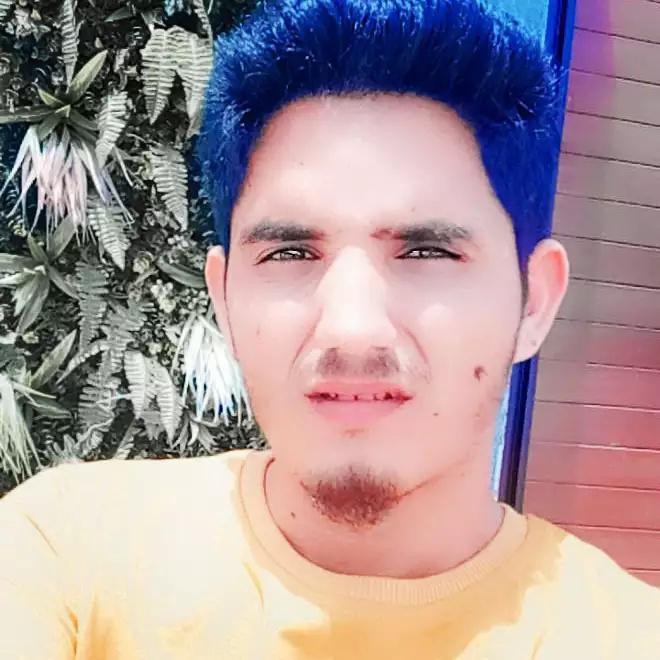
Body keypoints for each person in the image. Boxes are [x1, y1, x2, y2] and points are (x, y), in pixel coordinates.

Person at [1, 0, 659, 658]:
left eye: (427, 251)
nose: (352, 329)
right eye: (289, 253)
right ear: (224, 299)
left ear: (534, 301)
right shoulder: (68, 557)